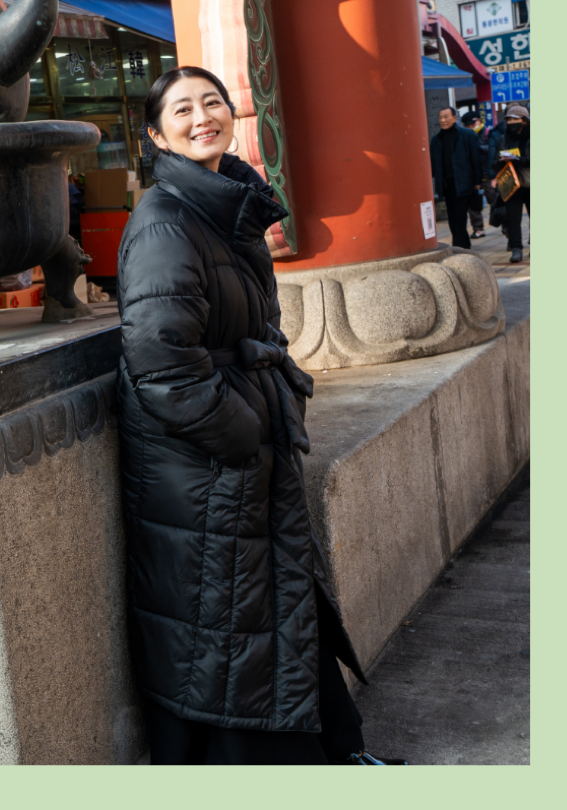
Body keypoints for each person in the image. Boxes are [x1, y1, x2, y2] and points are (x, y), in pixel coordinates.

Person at [117, 66, 396, 765]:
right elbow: (160, 361)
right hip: (205, 463)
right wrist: (244, 430)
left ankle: (331, 751)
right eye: (182, 109)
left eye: (212, 101)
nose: (202, 115)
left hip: (239, 454)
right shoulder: (165, 221)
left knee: (273, 609)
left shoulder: (224, 204)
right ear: (157, 134)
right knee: (227, 628)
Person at [430, 106, 482, 249]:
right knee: (452, 219)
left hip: (464, 183)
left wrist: (478, 182)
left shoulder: (467, 135)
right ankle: (462, 245)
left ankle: (459, 246)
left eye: (446, 117)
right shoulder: (436, 139)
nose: (443, 120)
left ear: (454, 118)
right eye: (440, 117)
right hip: (447, 185)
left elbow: (476, 159)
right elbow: (433, 164)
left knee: (459, 217)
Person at [487, 104, 530, 263]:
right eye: (509, 120)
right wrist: (501, 161)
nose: (512, 123)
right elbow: (493, 162)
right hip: (511, 184)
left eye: (515, 119)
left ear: (524, 120)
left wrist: (520, 160)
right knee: (513, 218)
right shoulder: (503, 138)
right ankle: (516, 248)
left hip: (530, 182)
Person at [461, 111, 494, 239]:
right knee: (474, 205)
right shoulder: (465, 136)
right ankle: (478, 229)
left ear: (478, 121)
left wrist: (477, 148)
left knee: (496, 202)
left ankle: (505, 225)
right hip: (474, 177)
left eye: (472, 124)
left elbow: (492, 149)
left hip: (488, 175)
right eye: (467, 125)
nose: (470, 127)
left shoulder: (488, 133)